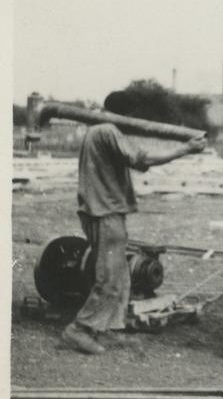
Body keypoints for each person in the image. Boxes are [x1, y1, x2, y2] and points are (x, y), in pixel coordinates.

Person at [61, 123, 206, 355]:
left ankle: (102, 328)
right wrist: (185, 149)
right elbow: (141, 159)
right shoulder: (107, 131)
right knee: (109, 278)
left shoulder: (98, 133)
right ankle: (79, 329)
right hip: (104, 212)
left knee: (120, 277)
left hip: (106, 211)